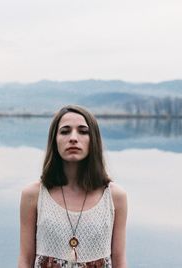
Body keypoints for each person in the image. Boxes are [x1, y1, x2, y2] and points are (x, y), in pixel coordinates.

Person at [18, 105, 128, 268]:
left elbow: (119, 261)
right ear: (54, 140)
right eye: (65, 131)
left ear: (94, 140)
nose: (73, 138)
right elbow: (25, 260)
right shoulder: (33, 195)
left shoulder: (114, 197)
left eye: (83, 131)